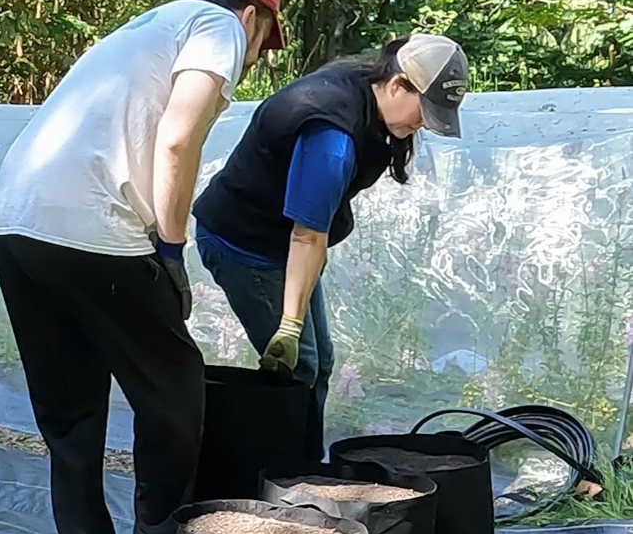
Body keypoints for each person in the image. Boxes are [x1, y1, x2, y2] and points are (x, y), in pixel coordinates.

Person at [0, 0, 285, 534]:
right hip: (96, 224)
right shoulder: (220, 28)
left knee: (70, 406)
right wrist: (170, 252)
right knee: (172, 391)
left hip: (14, 219)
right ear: (251, 13)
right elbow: (177, 141)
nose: (259, 53)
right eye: (266, 38)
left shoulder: (141, 28)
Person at [193, 33, 468, 460]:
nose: (422, 124)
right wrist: (288, 324)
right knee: (297, 365)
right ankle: (283, 477)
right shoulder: (331, 136)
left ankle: (305, 465)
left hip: (285, 246)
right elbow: (307, 234)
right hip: (245, 246)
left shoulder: (369, 92)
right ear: (397, 84)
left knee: (319, 361)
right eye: (423, 112)